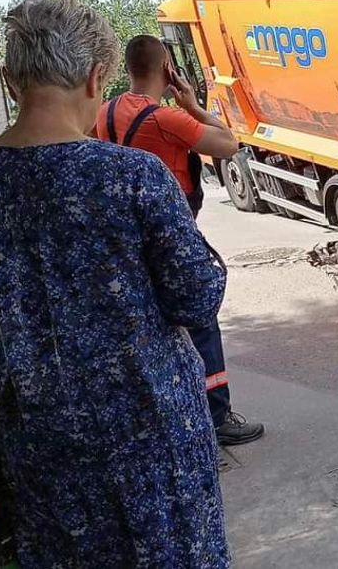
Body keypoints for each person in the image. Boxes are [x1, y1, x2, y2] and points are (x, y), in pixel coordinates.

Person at [0, 0, 229, 565]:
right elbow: (196, 295)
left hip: (37, 432)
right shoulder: (129, 175)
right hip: (150, 428)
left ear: (10, 81)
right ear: (95, 75)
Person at [96, 35, 264, 446]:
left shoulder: (106, 112)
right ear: (167, 68)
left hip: (125, 238)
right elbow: (228, 143)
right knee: (200, 319)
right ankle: (217, 417)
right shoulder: (166, 119)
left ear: (128, 69)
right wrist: (193, 105)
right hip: (169, 238)